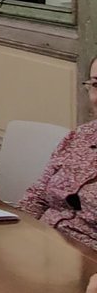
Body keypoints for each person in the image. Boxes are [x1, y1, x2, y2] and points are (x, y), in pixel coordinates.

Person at [18, 55, 97, 250]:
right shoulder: (81, 135)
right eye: (96, 85)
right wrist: (12, 233)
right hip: (40, 245)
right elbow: (37, 196)